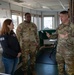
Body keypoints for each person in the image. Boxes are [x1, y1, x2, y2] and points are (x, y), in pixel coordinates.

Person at [46, 11, 74, 75]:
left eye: (62, 16)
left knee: (70, 71)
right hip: (59, 52)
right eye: (59, 16)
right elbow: (56, 35)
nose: (60, 18)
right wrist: (50, 36)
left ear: (67, 16)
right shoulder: (60, 26)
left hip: (69, 53)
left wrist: (67, 37)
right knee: (60, 68)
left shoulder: (72, 26)